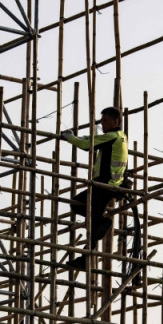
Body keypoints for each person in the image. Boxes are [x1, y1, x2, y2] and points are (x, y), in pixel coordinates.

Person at [61, 107, 129, 270]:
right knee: (92, 219)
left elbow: (87, 145)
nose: (102, 123)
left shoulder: (112, 137)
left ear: (115, 122)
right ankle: (86, 257)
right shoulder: (120, 137)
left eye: (105, 120)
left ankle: (103, 224)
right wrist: (78, 137)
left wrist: (70, 138)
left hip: (105, 186)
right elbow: (94, 139)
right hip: (109, 185)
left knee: (78, 205)